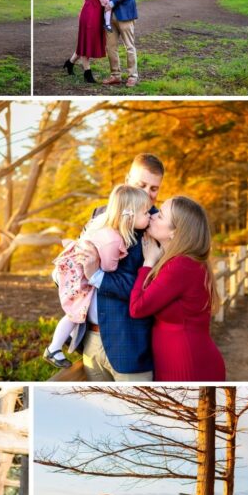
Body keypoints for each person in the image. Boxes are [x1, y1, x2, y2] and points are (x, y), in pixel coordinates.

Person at [67, 153, 166, 382]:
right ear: (127, 179)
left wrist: (96, 275)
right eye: (141, 185)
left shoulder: (157, 226)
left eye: (154, 188)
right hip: (90, 342)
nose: (147, 194)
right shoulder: (101, 214)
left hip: (130, 345)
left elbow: (148, 287)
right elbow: (75, 262)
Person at [44, 185, 151, 369]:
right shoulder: (114, 239)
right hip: (77, 274)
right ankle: (54, 347)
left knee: (75, 310)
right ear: (130, 215)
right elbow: (109, 267)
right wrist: (117, 256)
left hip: (74, 271)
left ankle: (66, 338)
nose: (150, 215)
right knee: (75, 311)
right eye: (145, 212)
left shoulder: (105, 222)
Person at [129, 196, 226, 381]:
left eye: (161, 215)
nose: (153, 215)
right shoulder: (187, 261)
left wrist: (148, 263)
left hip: (186, 365)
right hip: (181, 358)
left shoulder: (181, 265)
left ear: (175, 232)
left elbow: (137, 308)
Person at [62, 0, 121, 83]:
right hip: (89, 15)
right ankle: (87, 73)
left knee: (85, 43)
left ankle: (70, 62)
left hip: (95, 14)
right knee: (86, 43)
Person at [104, 0, 139, 87]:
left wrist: (112, 3)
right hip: (110, 17)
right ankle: (115, 75)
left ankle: (133, 76)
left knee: (129, 46)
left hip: (125, 14)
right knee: (111, 47)